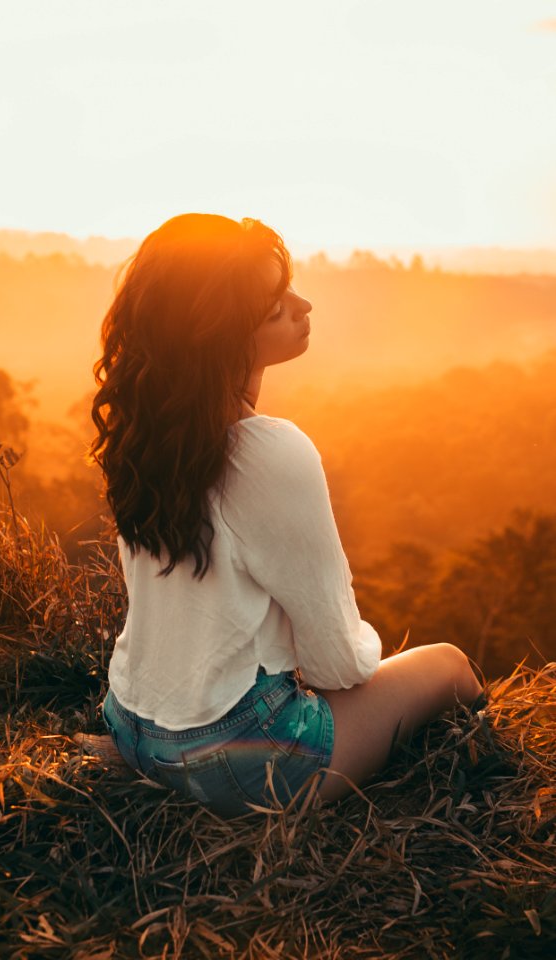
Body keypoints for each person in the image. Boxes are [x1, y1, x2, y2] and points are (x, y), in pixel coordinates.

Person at [90, 213, 484, 819]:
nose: (304, 306)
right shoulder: (268, 451)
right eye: (276, 307)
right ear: (222, 335)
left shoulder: (143, 435)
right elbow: (339, 665)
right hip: (237, 759)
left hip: (132, 726)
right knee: (451, 665)